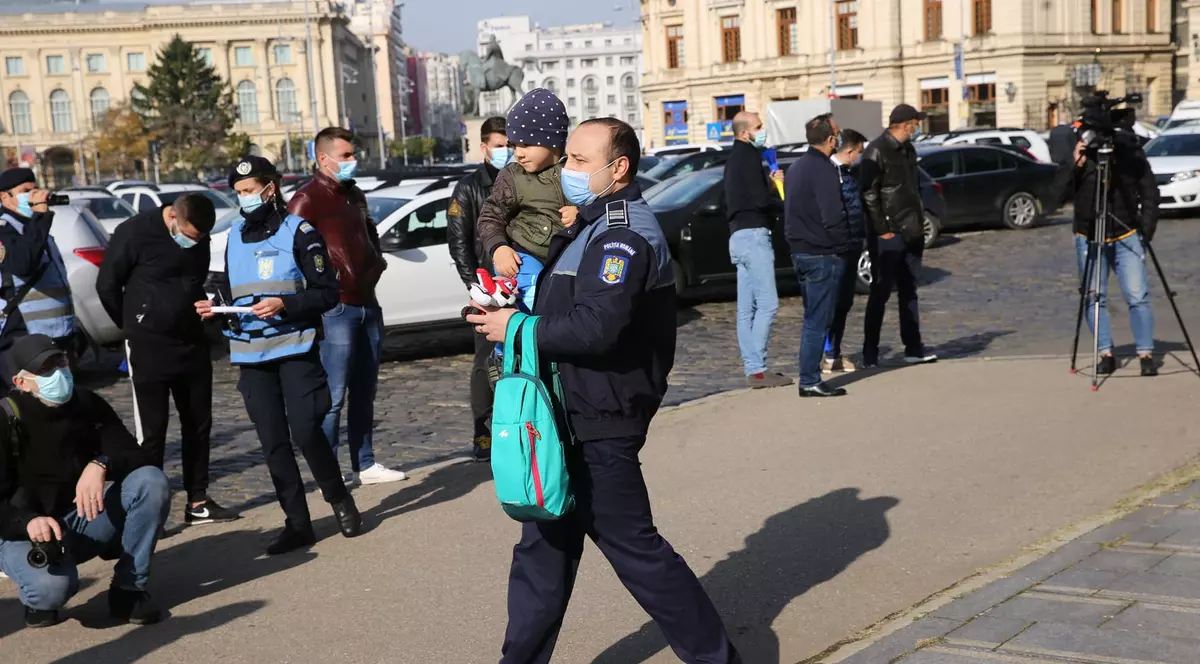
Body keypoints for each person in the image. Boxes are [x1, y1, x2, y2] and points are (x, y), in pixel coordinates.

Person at [468, 118, 740, 664]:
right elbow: (566, 312)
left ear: (618, 169)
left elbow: (597, 328)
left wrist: (516, 329)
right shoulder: (589, 227)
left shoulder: (623, 234)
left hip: (599, 419)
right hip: (564, 414)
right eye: (566, 157)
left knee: (637, 553)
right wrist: (511, 312)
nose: (565, 170)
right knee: (541, 556)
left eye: (579, 161)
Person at [196, 156, 361, 555]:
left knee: (305, 431)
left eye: (249, 191)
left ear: (270, 189)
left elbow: (326, 293)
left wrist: (284, 304)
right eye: (238, 192)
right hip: (251, 355)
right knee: (272, 441)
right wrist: (213, 307)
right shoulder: (234, 235)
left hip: (295, 348)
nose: (243, 198)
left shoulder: (299, 232)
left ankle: (339, 498)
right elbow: (231, 290)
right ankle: (297, 523)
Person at [0, 334, 169, 628]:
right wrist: (26, 521)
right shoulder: (5, 419)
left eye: (60, 362)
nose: (58, 373)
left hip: (82, 516)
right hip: (24, 530)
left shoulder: (86, 402)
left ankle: (129, 589)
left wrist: (100, 464)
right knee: (50, 592)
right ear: (21, 382)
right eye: (46, 369)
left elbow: (135, 455)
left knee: (150, 482)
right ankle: (37, 594)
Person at [96, 193, 238, 527]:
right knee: (153, 431)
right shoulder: (134, 232)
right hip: (148, 345)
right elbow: (107, 285)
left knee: (198, 423)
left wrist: (208, 309)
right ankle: (149, 513)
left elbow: (194, 282)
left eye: (199, 239)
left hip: (191, 341)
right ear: (173, 215)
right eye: (189, 236)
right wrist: (133, 324)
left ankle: (198, 500)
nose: (193, 243)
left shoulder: (198, 237)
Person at [289, 127, 406, 486]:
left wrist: (377, 262)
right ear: (323, 159)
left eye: (353, 154)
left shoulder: (353, 195)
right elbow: (291, 252)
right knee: (333, 394)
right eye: (346, 156)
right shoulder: (306, 199)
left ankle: (365, 462)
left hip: (367, 301)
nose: (353, 161)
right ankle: (328, 470)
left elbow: (367, 235)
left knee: (364, 390)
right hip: (335, 306)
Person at [1062, 136, 1160, 376]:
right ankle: (1106, 353)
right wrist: (1076, 165)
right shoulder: (1082, 154)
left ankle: (1145, 354)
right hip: (1089, 234)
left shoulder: (1129, 152)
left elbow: (1149, 192)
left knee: (1138, 297)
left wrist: (1145, 231)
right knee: (1094, 298)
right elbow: (1057, 194)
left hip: (1126, 232)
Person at [476, 88, 576, 314]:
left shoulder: (575, 170)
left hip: (565, 261)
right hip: (523, 257)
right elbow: (490, 216)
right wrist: (498, 247)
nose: (518, 153)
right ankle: (516, 342)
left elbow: (599, 204)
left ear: (551, 141)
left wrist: (581, 213)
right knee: (528, 300)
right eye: (514, 145)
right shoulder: (513, 176)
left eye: (526, 144)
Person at [448, 116, 509, 462]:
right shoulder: (469, 188)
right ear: (484, 147)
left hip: (518, 284)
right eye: (500, 146)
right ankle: (483, 433)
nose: (506, 152)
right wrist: (478, 289)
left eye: (510, 146)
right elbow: (459, 244)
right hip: (486, 290)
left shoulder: (520, 182)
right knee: (485, 364)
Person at [859, 104, 938, 368]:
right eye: (916, 123)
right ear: (906, 124)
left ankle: (913, 348)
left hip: (912, 230)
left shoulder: (908, 150)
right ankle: (870, 353)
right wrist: (883, 230)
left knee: (909, 291)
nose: (918, 128)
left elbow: (912, 189)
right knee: (880, 293)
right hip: (888, 234)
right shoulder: (877, 150)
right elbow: (869, 194)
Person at [784, 114, 855, 398]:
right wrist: (844, 247)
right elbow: (833, 216)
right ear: (830, 140)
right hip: (821, 253)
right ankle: (810, 379)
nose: (838, 138)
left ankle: (809, 376)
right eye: (836, 134)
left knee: (812, 318)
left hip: (801, 251)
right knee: (817, 320)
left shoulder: (797, 167)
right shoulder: (823, 169)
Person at [724, 110, 791, 388]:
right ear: (744, 133)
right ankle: (759, 369)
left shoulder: (733, 160)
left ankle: (754, 368)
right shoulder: (750, 158)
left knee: (746, 310)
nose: (763, 130)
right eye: (759, 126)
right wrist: (779, 194)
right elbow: (760, 201)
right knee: (768, 304)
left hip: (738, 236)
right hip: (753, 236)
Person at [0, 168, 76, 363]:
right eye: (25, 191)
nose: (32, 196)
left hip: (56, 332)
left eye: (35, 190)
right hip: (23, 332)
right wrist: (41, 217)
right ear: (4, 197)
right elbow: (23, 265)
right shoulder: (5, 229)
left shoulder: (35, 228)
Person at [823, 128, 869, 374]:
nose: (859, 157)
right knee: (829, 305)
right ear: (849, 150)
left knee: (844, 303)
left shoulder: (849, 173)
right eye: (859, 152)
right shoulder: (828, 173)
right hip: (835, 249)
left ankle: (834, 353)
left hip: (852, 246)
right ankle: (827, 354)